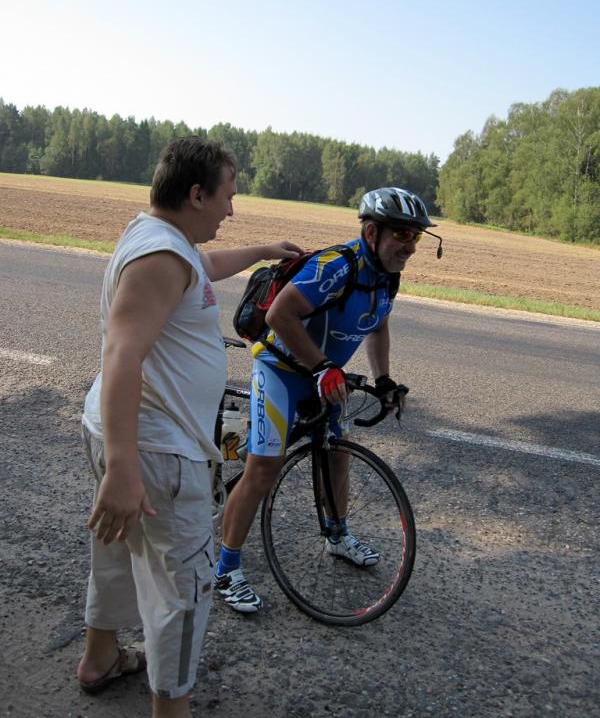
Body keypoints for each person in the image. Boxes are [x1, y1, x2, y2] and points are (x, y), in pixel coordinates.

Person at [76, 136, 301, 718]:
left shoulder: (163, 240)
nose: (232, 209)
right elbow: (122, 354)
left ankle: (99, 658)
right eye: (227, 195)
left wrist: (264, 250)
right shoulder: (161, 258)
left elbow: (207, 267)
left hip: (127, 433)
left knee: (118, 552)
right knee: (185, 589)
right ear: (197, 193)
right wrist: (125, 470)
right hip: (155, 450)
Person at [215, 186, 442, 612]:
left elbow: (377, 327)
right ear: (372, 232)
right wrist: (322, 366)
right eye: (402, 235)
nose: (410, 247)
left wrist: (386, 379)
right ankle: (226, 568)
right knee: (263, 469)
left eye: (416, 237)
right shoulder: (335, 267)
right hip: (281, 370)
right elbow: (279, 314)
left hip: (322, 376)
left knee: (336, 455)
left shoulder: (385, 279)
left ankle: (336, 535)